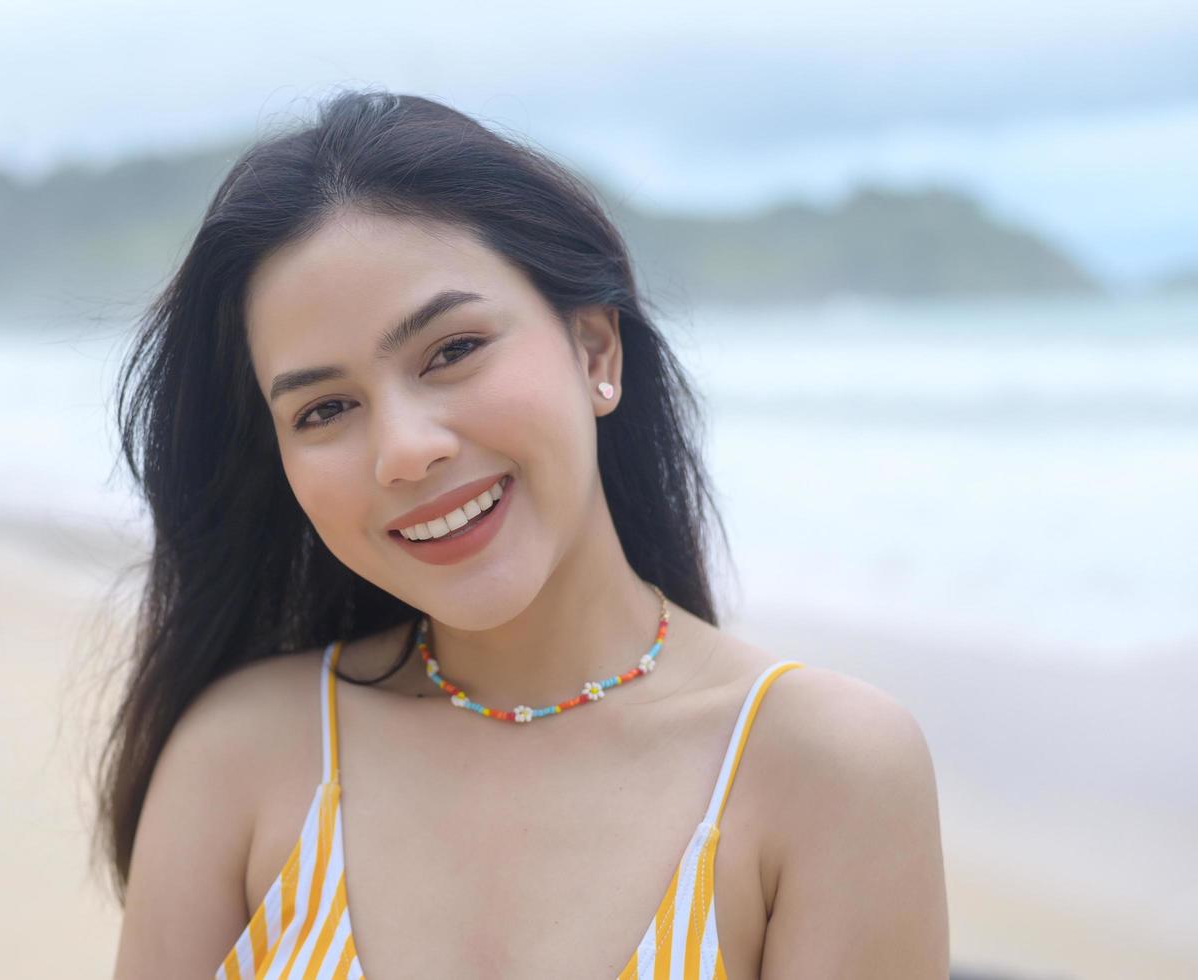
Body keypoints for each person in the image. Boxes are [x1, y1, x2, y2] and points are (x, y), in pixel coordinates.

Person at [100, 89, 948, 979]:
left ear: (593, 352)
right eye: (326, 408)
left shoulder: (822, 772)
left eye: (451, 351)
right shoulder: (241, 756)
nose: (405, 450)